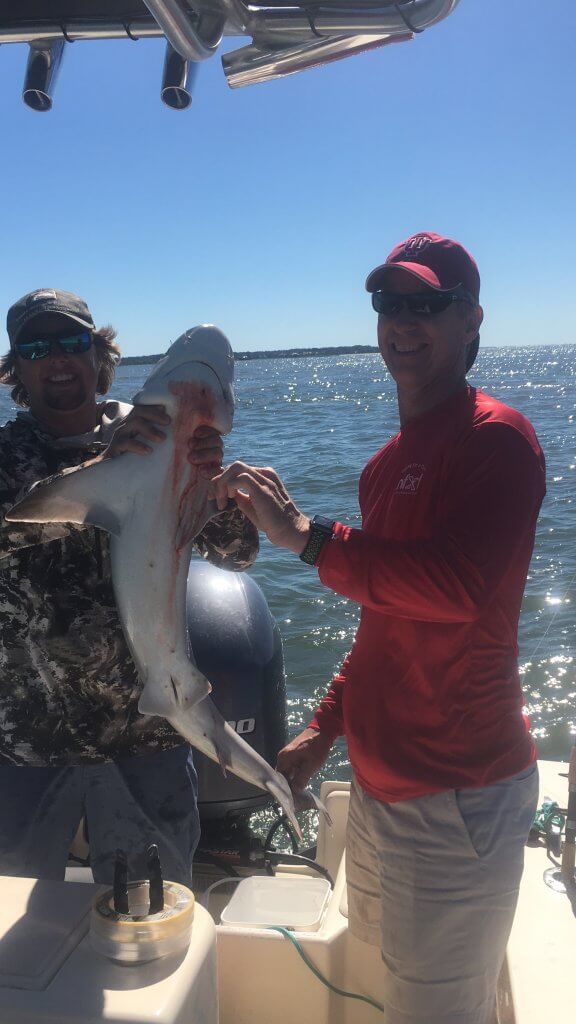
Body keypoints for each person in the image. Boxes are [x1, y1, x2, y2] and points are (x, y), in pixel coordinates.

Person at [211, 233, 546, 1024]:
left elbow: (460, 588)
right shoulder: (384, 463)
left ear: (471, 321)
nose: (404, 320)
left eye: (428, 303)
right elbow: (383, 623)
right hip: (379, 788)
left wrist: (309, 538)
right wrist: (322, 731)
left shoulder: (497, 437)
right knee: (398, 986)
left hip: (458, 797)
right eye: (390, 303)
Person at [0, 288, 258, 886]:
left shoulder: (169, 436)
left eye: (72, 341)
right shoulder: (7, 453)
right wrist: (104, 469)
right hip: (26, 741)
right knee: (13, 940)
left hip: (146, 734)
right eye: (36, 347)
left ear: (100, 353)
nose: (57, 357)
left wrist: (208, 482)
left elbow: (237, 555)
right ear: (17, 368)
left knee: (153, 924)